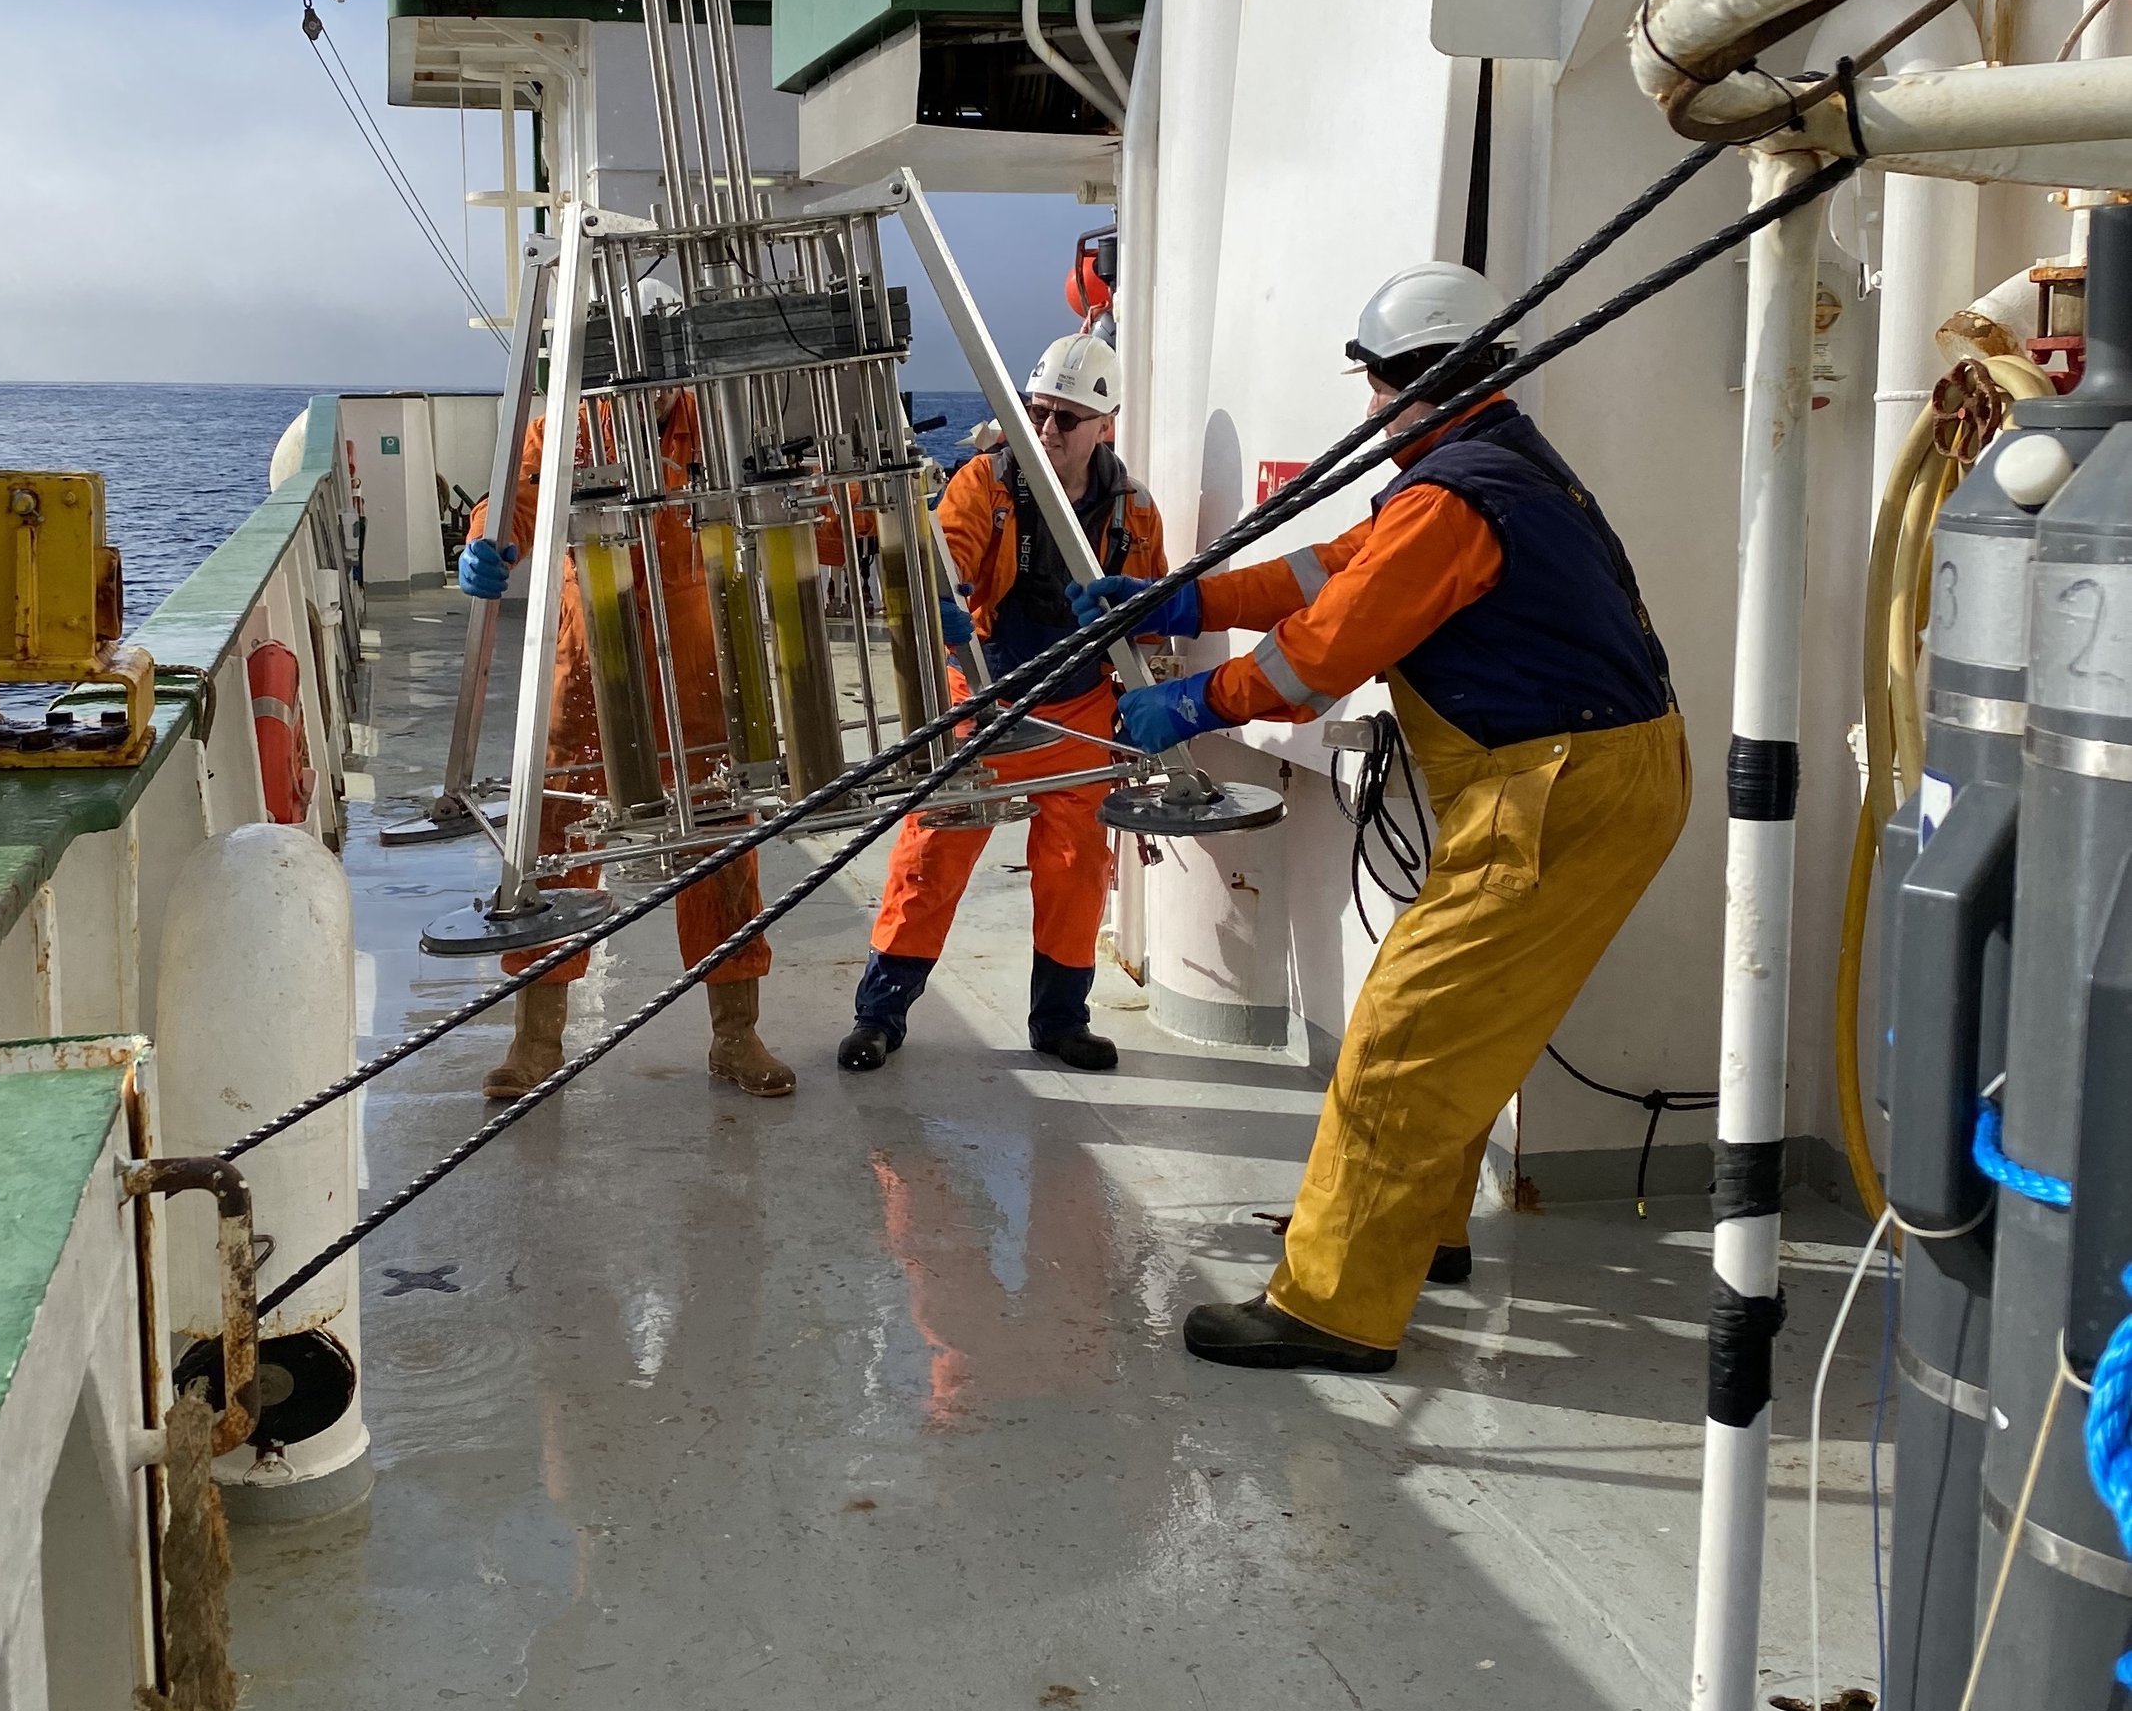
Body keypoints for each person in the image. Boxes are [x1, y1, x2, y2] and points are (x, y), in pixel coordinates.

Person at [1077, 263, 1690, 1372]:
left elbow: (1324, 649)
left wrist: (1192, 700)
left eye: (1376, 385)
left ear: (1420, 380)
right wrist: (1193, 600)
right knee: (1457, 1020)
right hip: (1580, 778)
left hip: (1560, 792)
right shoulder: (1484, 468)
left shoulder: (1456, 495)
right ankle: (1424, 1232)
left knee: (1406, 1035)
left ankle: (1332, 1306)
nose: (1367, 409)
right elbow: (1333, 570)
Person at [460, 364, 796, 1107]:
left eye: (663, 379)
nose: (650, 394)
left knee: (723, 844)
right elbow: (517, 496)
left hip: (700, 672)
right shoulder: (572, 431)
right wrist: (488, 537)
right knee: (555, 842)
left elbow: (801, 502)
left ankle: (736, 1032)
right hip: (593, 666)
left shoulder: (723, 429)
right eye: (632, 382)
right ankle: (536, 1041)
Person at [840, 331, 1168, 1076]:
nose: (1046, 429)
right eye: (1037, 411)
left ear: (1103, 424)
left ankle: (1060, 1020)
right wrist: (939, 597)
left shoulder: (1134, 513)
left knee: (1075, 864)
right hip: (985, 698)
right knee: (933, 850)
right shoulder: (985, 484)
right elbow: (941, 555)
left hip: (1081, 707)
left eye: (1064, 418)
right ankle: (879, 1015)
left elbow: (1156, 608)